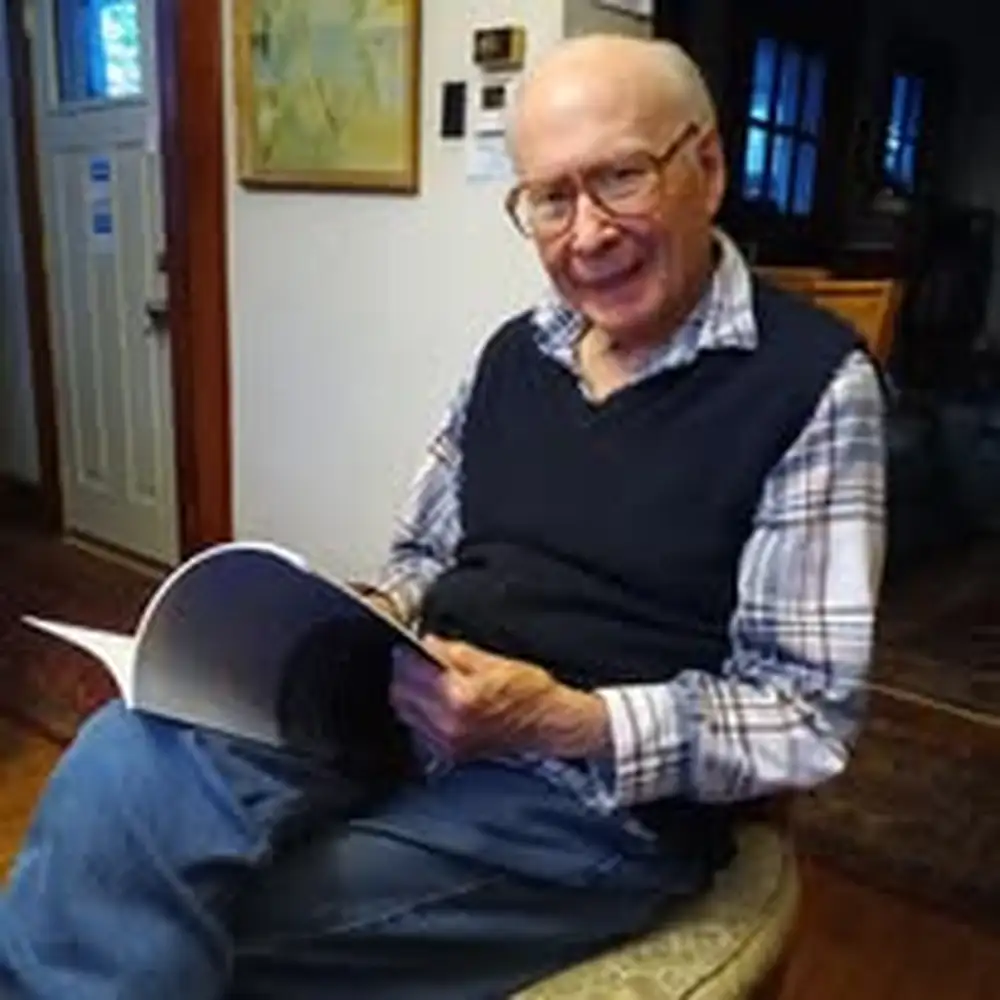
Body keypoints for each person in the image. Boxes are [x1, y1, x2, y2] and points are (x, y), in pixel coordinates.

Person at [0, 34, 885, 1000]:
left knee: (147, 912)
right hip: (405, 718)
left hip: (584, 807)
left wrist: (564, 720)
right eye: (551, 198)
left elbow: (804, 716)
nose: (586, 233)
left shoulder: (814, 386)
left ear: (706, 167)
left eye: (621, 178)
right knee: (126, 754)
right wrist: (348, 614)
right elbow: (423, 554)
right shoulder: (516, 352)